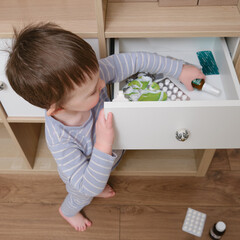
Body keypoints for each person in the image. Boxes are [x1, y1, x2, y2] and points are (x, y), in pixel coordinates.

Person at [5, 23, 205, 232]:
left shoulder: (89, 79)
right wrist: (103, 142)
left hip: (104, 160)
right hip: (82, 183)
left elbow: (133, 61)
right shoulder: (60, 139)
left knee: (99, 178)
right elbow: (86, 184)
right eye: (93, 91)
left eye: (99, 76)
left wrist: (178, 69)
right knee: (84, 195)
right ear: (57, 109)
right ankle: (67, 212)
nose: (102, 84)